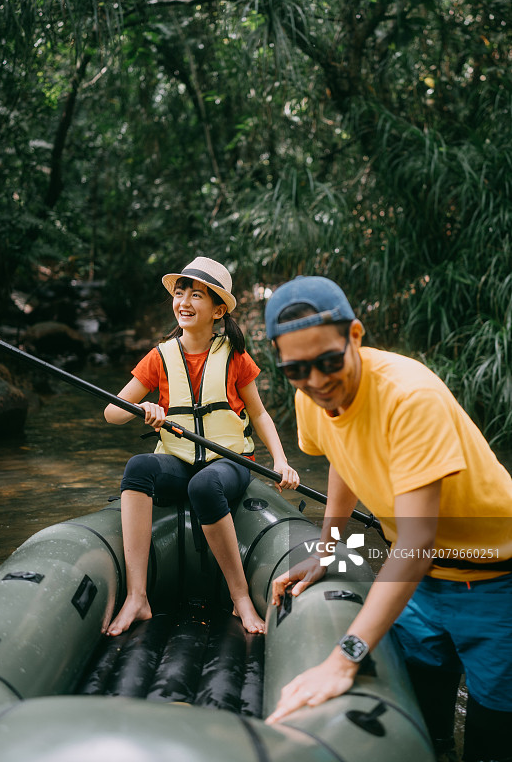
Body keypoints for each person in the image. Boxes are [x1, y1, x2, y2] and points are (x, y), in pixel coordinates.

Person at [263, 275, 512, 762]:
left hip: (495, 580)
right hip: (422, 586)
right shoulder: (310, 398)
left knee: (492, 739)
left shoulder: (408, 397)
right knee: (425, 726)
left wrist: (344, 657)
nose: (316, 381)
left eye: (329, 362)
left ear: (355, 335)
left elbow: (416, 542)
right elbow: (341, 456)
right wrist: (326, 547)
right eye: (297, 370)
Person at [103, 256, 299, 636]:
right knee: (138, 468)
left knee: (205, 484)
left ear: (218, 309)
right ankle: (137, 597)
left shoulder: (235, 356)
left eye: (197, 295)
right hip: (177, 459)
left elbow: (259, 415)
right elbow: (111, 412)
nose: (184, 302)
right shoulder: (160, 356)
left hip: (229, 463)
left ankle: (240, 598)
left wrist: (281, 460)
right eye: (180, 294)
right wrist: (143, 407)